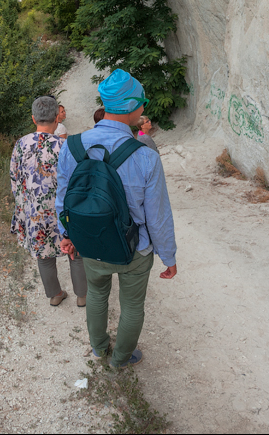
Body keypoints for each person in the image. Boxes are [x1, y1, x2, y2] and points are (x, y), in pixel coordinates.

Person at [56, 69, 177, 368]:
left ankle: (99, 349)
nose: (144, 109)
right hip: (134, 250)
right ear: (132, 105)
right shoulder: (145, 156)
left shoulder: (71, 147)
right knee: (132, 305)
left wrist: (67, 235)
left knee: (96, 295)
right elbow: (157, 215)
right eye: (143, 103)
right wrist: (168, 256)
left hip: (91, 243)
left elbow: (62, 198)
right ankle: (121, 358)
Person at [10, 95, 86, 307]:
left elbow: (15, 181)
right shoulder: (66, 146)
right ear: (56, 118)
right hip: (65, 212)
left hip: (35, 212)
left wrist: (22, 211)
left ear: (33, 118)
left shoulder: (21, 145)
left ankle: (55, 294)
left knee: (44, 256)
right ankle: (82, 296)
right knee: (75, 252)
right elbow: (76, 182)